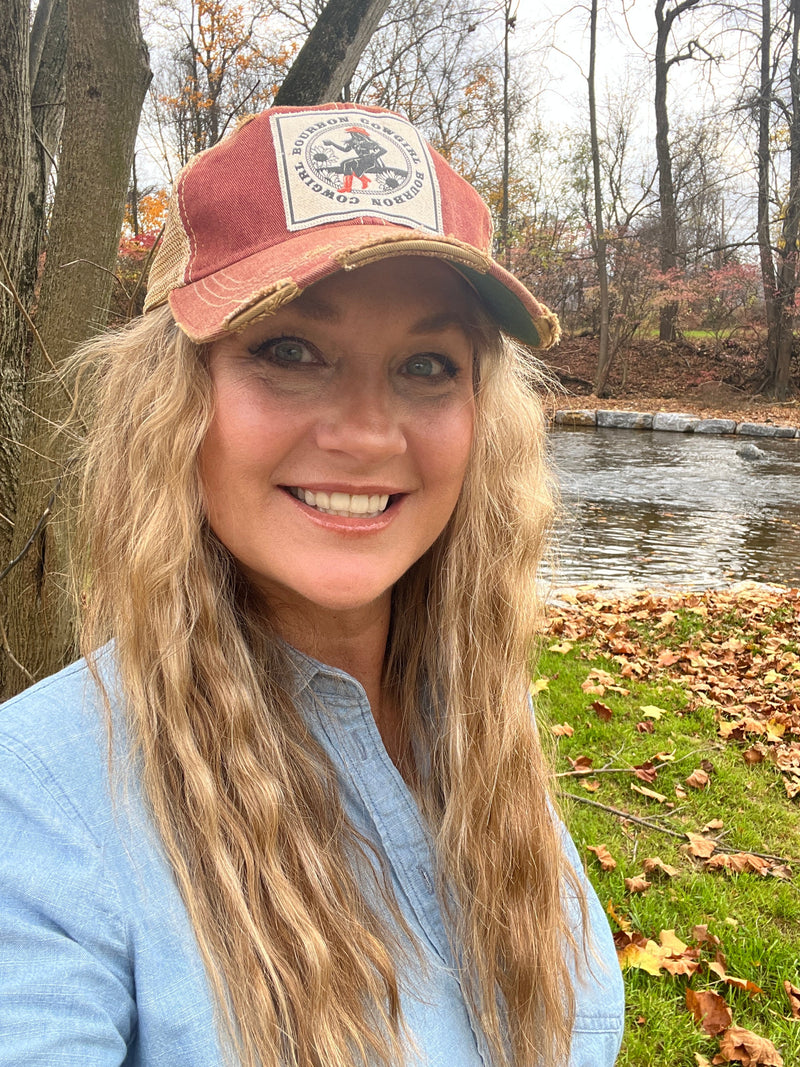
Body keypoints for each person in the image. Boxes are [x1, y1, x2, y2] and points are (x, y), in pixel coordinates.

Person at [0, 103, 624, 1066]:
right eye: (288, 350)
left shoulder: (481, 731)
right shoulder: (35, 803)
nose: (369, 433)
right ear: (173, 400)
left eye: (427, 364)